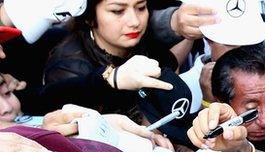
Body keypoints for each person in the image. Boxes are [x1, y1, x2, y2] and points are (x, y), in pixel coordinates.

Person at [40, 0, 176, 123]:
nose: (134, 21)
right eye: (117, 11)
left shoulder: (149, 46)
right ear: (89, 17)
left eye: (141, 7)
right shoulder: (69, 67)